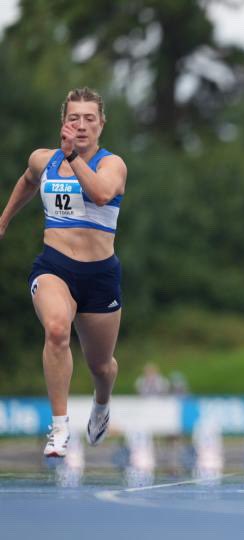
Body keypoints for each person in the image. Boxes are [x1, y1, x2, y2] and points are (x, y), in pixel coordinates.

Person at [0, 87, 127, 457]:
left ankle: (101, 404)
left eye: (90, 118)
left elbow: (102, 194)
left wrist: (74, 158)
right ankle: (59, 428)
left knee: (101, 365)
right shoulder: (44, 160)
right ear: (64, 123)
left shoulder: (112, 164)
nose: (81, 125)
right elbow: (27, 180)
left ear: (101, 124)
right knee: (56, 330)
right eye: (75, 118)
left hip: (100, 275)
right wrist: (5, 219)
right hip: (54, 266)